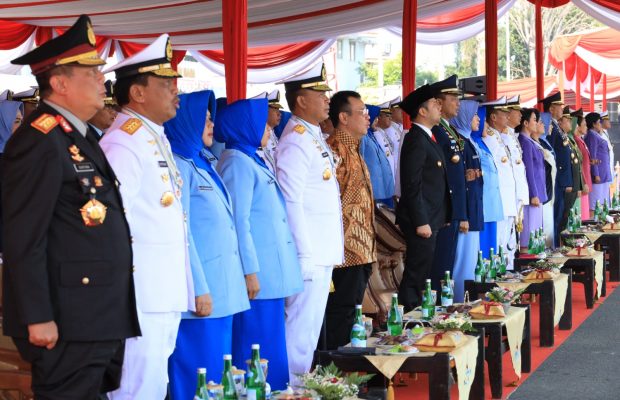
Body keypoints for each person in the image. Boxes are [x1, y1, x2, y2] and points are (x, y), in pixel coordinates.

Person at [2, 15, 140, 399]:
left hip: (95, 315)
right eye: (91, 73)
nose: (103, 81)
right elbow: (23, 237)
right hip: (66, 320)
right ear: (61, 83)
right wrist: (37, 316)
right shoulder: (40, 139)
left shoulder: (79, 136)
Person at [100, 34, 195, 399]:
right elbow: (111, 224)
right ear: (138, 93)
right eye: (166, 84)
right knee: (136, 387)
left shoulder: (151, 136)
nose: (175, 91)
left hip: (160, 290)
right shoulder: (123, 141)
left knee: (154, 384)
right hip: (140, 292)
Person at [165, 90, 251, 397]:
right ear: (185, 121)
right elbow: (183, 233)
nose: (212, 124)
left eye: (212, 118)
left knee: (218, 373)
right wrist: (198, 289)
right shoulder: (178, 165)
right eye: (204, 118)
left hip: (222, 288)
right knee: (198, 375)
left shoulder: (201, 161)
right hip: (203, 292)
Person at [215, 98, 303, 390]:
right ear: (245, 126)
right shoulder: (236, 162)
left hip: (271, 273)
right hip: (259, 274)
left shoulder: (250, 157)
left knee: (270, 346)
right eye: (261, 123)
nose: (268, 128)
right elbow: (238, 222)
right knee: (256, 346)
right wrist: (249, 270)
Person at [275, 63, 344, 385]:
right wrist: (303, 253)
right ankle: (291, 386)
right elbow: (291, 201)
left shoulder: (311, 135)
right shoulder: (296, 140)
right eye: (320, 93)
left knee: (310, 328)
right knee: (300, 329)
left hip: (321, 248)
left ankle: (299, 383)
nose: (327, 99)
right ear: (301, 100)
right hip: (309, 251)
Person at [324, 91, 376, 349]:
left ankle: (347, 363)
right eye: (362, 112)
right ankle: (337, 367)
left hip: (361, 249)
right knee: (340, 314)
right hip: (345, 253)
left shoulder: (354, 148)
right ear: (343, 117)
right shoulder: (334, 150)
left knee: (351, 312)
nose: (368, 117)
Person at [396, 84, 450, 312]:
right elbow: (412, 184)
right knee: (416, 272)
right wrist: (421, 221)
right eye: (434, 105)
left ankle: (418, 312)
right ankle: (408, 315)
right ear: (422, 111)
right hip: (421, 219)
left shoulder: (427, 137)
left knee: (423, 270)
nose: (439, 107)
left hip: (431, 216)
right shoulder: (416, 139)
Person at [449, 99, 484, 302]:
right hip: (466, 211)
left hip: (474, 206)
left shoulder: (468, 141)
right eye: (474, 115)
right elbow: (459, 182)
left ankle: (468, 298)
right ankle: (459, 300)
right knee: (462, 259)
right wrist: (462, 215)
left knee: (471, 259)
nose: (478, 119)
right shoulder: (459, 143)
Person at [481, 97, 518, 266]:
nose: (508, 116)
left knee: (507, 238)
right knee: (499, 240)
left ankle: (506, 269)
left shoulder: (501, 136)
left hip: (508, 196)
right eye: (504, 113)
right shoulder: (489, 136)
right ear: (493, 117)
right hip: (500, 197)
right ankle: (499, 271)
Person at [471, 107, 504, 259]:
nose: (486, 124)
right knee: (482, 250)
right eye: (484, 121)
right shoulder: (473, 143)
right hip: (484, 203)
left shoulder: (482, 143)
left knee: (492, 248)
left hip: (492, 203)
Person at [517, 108, 548, 251]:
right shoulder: (524, 141)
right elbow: (528, 170)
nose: (536, 123)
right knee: (529, 234)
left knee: (536, 232)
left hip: (538, 192)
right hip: (532, 194)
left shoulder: (530, 141)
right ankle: (528, 260)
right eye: (534, 120)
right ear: (525, 123)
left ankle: (534, 259)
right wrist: (533, 194)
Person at [360, 104, 395, 207]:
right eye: (375, 118)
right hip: (375, 186)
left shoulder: (372, 134)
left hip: (383, 184)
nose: (376, 121)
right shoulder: (363, 137)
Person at [0, 100, 23, 253]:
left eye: (21, 121)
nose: (20, 127)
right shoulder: (7, 161)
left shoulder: (16, 155)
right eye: (15, 122)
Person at [585, 112, 611, 211]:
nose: (601, 124)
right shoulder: (591, 136)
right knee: (596, 204)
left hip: (603, 173)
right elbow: (593, 155)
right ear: (593, 124)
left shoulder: (596, 134)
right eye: (599, 122)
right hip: (599, 175)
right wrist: (596, 174)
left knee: (603, 203)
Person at [253, 89, 283, 173]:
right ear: (264, 111)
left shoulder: (273, 133)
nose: (279, 114)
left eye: (279, 110)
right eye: (275, 109)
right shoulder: (257, 136)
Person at [572, 109, 592, 220]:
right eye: (584, 125)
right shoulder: (576, 141)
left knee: (585, 213)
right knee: (582, 215)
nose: (586, 127)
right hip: (582, 182)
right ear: (578, 126)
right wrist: (583, 182)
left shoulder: (580, 140)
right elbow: (578, 165)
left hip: (585, 181)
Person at [373, 102, 397, 181]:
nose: (390, 118)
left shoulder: (382, 132)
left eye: (390, 116)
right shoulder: (376, 134)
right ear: (379, 117)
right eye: (387, 116)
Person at [600, 111, 614, 185]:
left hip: (608, 171)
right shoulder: (600, 135)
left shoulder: (605, 133)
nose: (609, 122)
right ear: (602, 121)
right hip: (603, 172)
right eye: (607, 120)